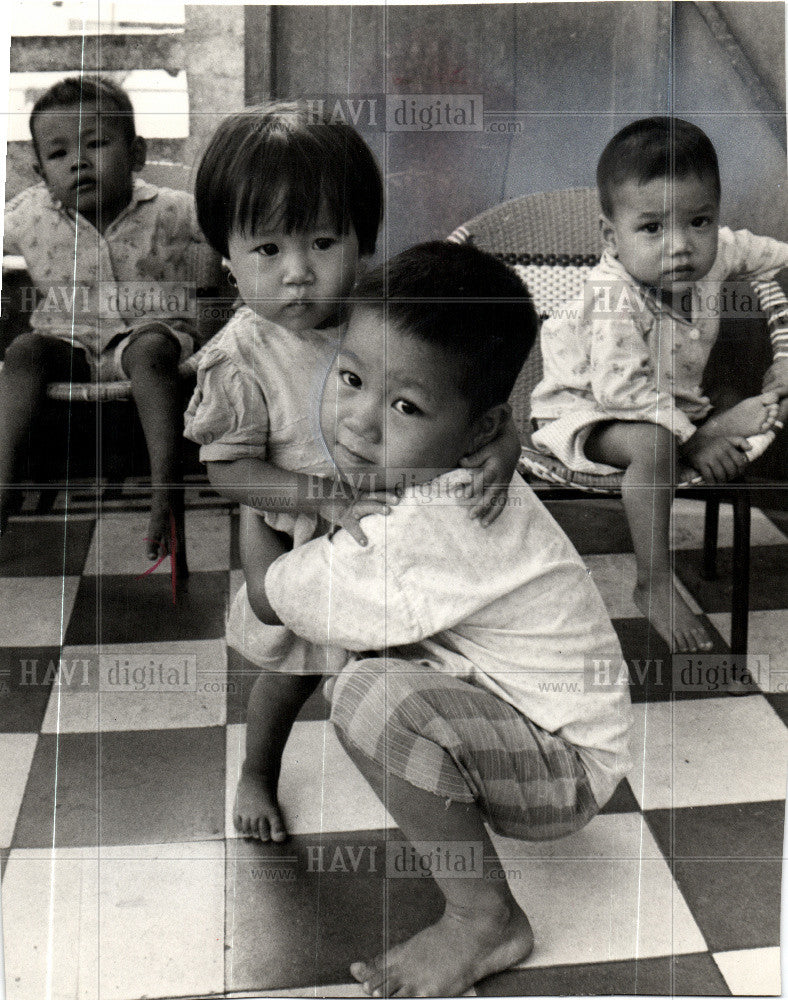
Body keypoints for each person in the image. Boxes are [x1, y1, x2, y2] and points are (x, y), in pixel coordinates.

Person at [249, 241, 633, 998]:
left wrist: (260, 521)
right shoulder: (454, 461)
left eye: (405, 406)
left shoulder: (435, 518)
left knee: (369, 694)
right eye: (352, 379)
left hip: (568, 768)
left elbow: (274, 596)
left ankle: (482, 917)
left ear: (478, 428)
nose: (360, 420)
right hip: (535, 717)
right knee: (366, 669)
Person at [183, 104, 523, 840]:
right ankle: (257, 772)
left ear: (364, 243)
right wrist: (327, 501)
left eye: (323, 242)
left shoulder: (386, 316)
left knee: (419, 663)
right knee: (293, 672)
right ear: (227, 259)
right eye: (267, 249)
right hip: (303, 536)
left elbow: (464, 394)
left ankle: (440, 784)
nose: (299, 273)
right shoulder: (240, 357)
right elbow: (229, 472)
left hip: (397, 523)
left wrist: (507, 442)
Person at [530, 117, 788, 653]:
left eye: (699, 221)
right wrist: (700, 438)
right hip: (583, 413)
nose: (681, 247)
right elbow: (620, 395)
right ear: (612, 236)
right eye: (651, 229)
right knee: (654, 443)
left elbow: (776, 257)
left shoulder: (715, 254)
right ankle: (653, 580)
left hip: (669, 407)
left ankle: (703, 427)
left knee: (708, 417)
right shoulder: (614, 297)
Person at [0, 75, 215, 572]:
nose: (78, 161)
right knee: (24, 350)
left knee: (150, 350)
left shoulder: (174, 210)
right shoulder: (29, 215)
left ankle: (167, 484)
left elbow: (231, 231)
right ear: (40, 171)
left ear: (136, 154)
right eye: (58, 154)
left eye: (97, 143)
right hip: (68, 342)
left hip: (150, 336)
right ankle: (6, 477)